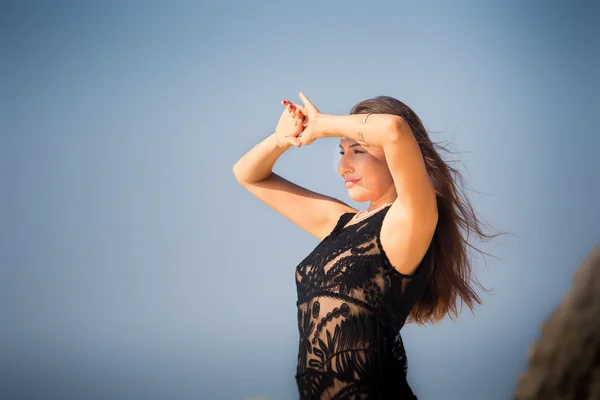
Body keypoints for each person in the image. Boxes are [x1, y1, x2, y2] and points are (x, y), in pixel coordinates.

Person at [233, 93, 501, 399]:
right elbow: (249, 175)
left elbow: (395, 129)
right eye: (341, 152)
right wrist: (280, 140)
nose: (343, 167)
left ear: (396, 156)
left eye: (357, 151)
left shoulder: (411, 218)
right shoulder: (340, 222)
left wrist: (323, 125)